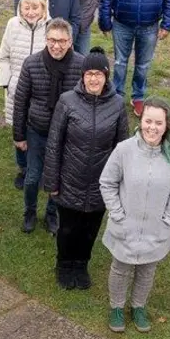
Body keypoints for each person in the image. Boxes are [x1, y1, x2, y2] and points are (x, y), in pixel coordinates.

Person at [100, 98, 170, 334]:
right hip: (125, 226)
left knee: (147, 270)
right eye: (148, 121)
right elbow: (107, 182)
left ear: (166, 125)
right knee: (121, 268)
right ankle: (117, 307)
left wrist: (169, 219)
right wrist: (117, 214)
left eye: (158, 123)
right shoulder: (124, 150)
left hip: (156, 228)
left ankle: (138, 306)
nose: (152, 127)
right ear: (140, 121)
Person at [43, 49, 128, 289]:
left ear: (106, 76)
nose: (93, 79)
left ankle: (81, 266)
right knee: (68, 229)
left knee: (90, 231)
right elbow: (54, 144)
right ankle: (64, 265)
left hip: (101, 185)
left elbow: (122, 149)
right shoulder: (67, 101)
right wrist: (52, 182)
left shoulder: (118, 104)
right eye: (89, 74)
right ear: (82, 76)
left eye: (98, 74)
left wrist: (120, 186)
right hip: (70, 180)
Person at [12, 18, 83, 235]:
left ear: (70, 41)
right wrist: (19, 135)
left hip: (66, 135)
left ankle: (52, 213)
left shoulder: (81, 64)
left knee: (59, 178)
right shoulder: (31, 63)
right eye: (52, 40)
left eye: (62, 41)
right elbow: (21, 101)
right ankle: (30, 212)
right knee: (33, 177)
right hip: (37, 131)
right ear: (46, 39)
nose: (56, 46)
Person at [0, 0, 50, 193]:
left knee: (39, 131)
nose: (30, 12)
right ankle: (24, 168)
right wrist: (7, 82)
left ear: (43, 9)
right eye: (26, 7)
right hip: (16, 91)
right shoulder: (12, 25)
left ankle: (41, 169)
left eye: (35, 7)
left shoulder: (50, 27)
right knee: (19, 132)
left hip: (42, 93)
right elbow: (3, 57)